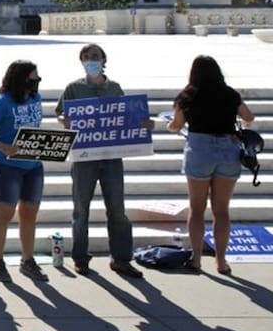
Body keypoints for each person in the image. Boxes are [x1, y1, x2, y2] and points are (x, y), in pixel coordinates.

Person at [56, 44, 151, 279]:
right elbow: (60, 113)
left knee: (117, 210)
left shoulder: (114, 88)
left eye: (95, 56)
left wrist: (143, 124)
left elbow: (125, 117)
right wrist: (64, 120)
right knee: (81, 209)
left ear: (103, 59)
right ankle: (80, 257)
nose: (91, 60)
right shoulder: (74, 88)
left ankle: (121, 259)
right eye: (86, 57)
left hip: (111, 157)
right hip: (84, 157)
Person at [168, 55, 255, 275]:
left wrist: (169, 123)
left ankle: (196, 259)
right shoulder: (229, 94)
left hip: (199, 148)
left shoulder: (187, 95)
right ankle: (221, 261)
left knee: (197, 209)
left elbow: (176, 125)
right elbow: (249, 117)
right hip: (227, 148)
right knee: (222, 210)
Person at [0, 60, 47, 283]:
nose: (36, 82)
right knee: (5, 212)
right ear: (21, 79)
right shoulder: (3, 102)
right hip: (8, 165)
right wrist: (3, 147)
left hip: (33, 164)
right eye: (32, 78)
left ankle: (27, 260)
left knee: (29, 213)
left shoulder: (36, 99)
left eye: (38, 78)